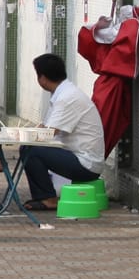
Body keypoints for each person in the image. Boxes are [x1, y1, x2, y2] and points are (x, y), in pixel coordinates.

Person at [22, 52, 106, 210]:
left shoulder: (67, 97)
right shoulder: (63, 93)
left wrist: (21, 136)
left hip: (86, 164)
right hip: (78, 156)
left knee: (30, 149)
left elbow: (47, 134)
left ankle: (47, 198)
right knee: (29, 147)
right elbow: (45, 128)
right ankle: (45, 194)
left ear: (43, 78)